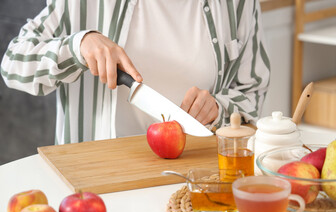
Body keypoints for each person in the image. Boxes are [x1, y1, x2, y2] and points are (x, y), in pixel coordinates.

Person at [1, 0, 270, 145]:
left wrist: (219, 108)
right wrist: (78, 45)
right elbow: (13, 64)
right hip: (98, 178)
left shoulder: (238, 5)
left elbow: (252, 92)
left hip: (196, 175)